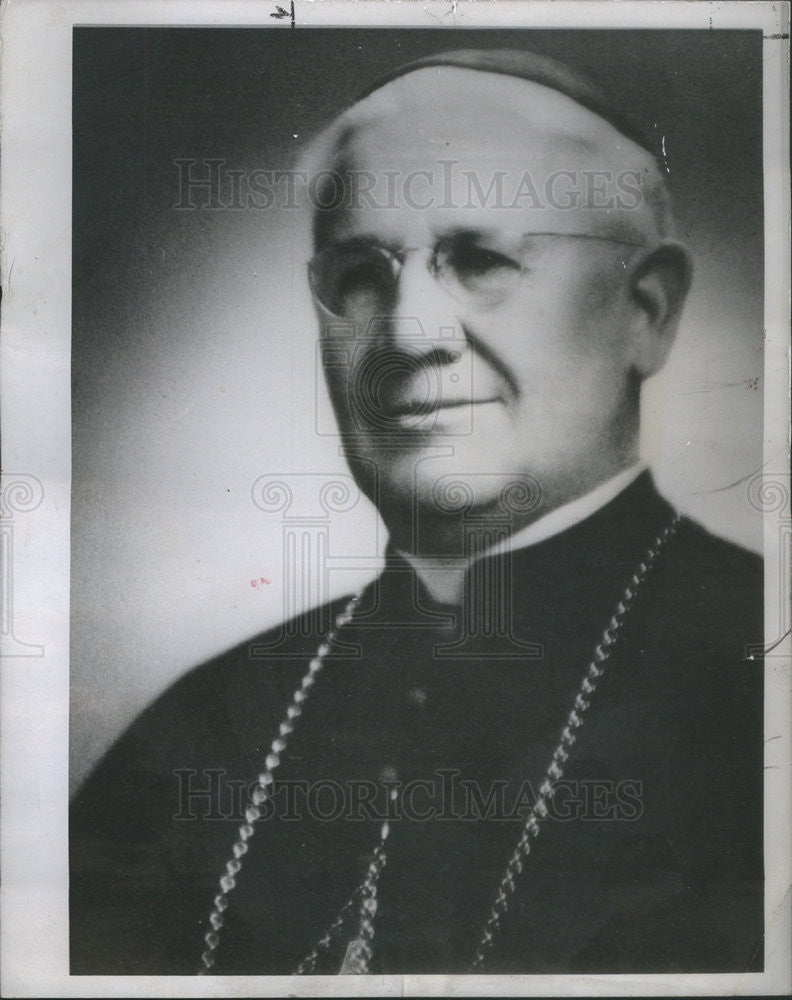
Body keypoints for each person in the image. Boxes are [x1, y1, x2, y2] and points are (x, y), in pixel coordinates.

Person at [70, 49, 764, 976]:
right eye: (361, 273)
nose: (408, 332)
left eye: (479, 259)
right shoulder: (204, 728)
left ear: (647, 309)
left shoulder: (762, 684)